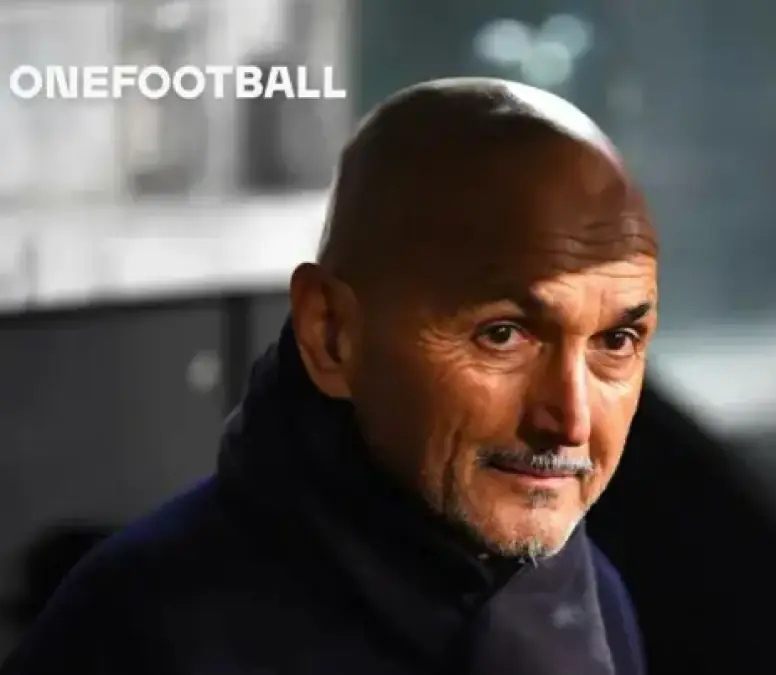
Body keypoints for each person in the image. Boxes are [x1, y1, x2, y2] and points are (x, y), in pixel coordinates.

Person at [1, 77, 656, 675]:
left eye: (616, 341)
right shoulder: (144, 632)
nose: (570, 419)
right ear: (332, 333)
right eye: (503, 335)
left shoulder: (589, 596)